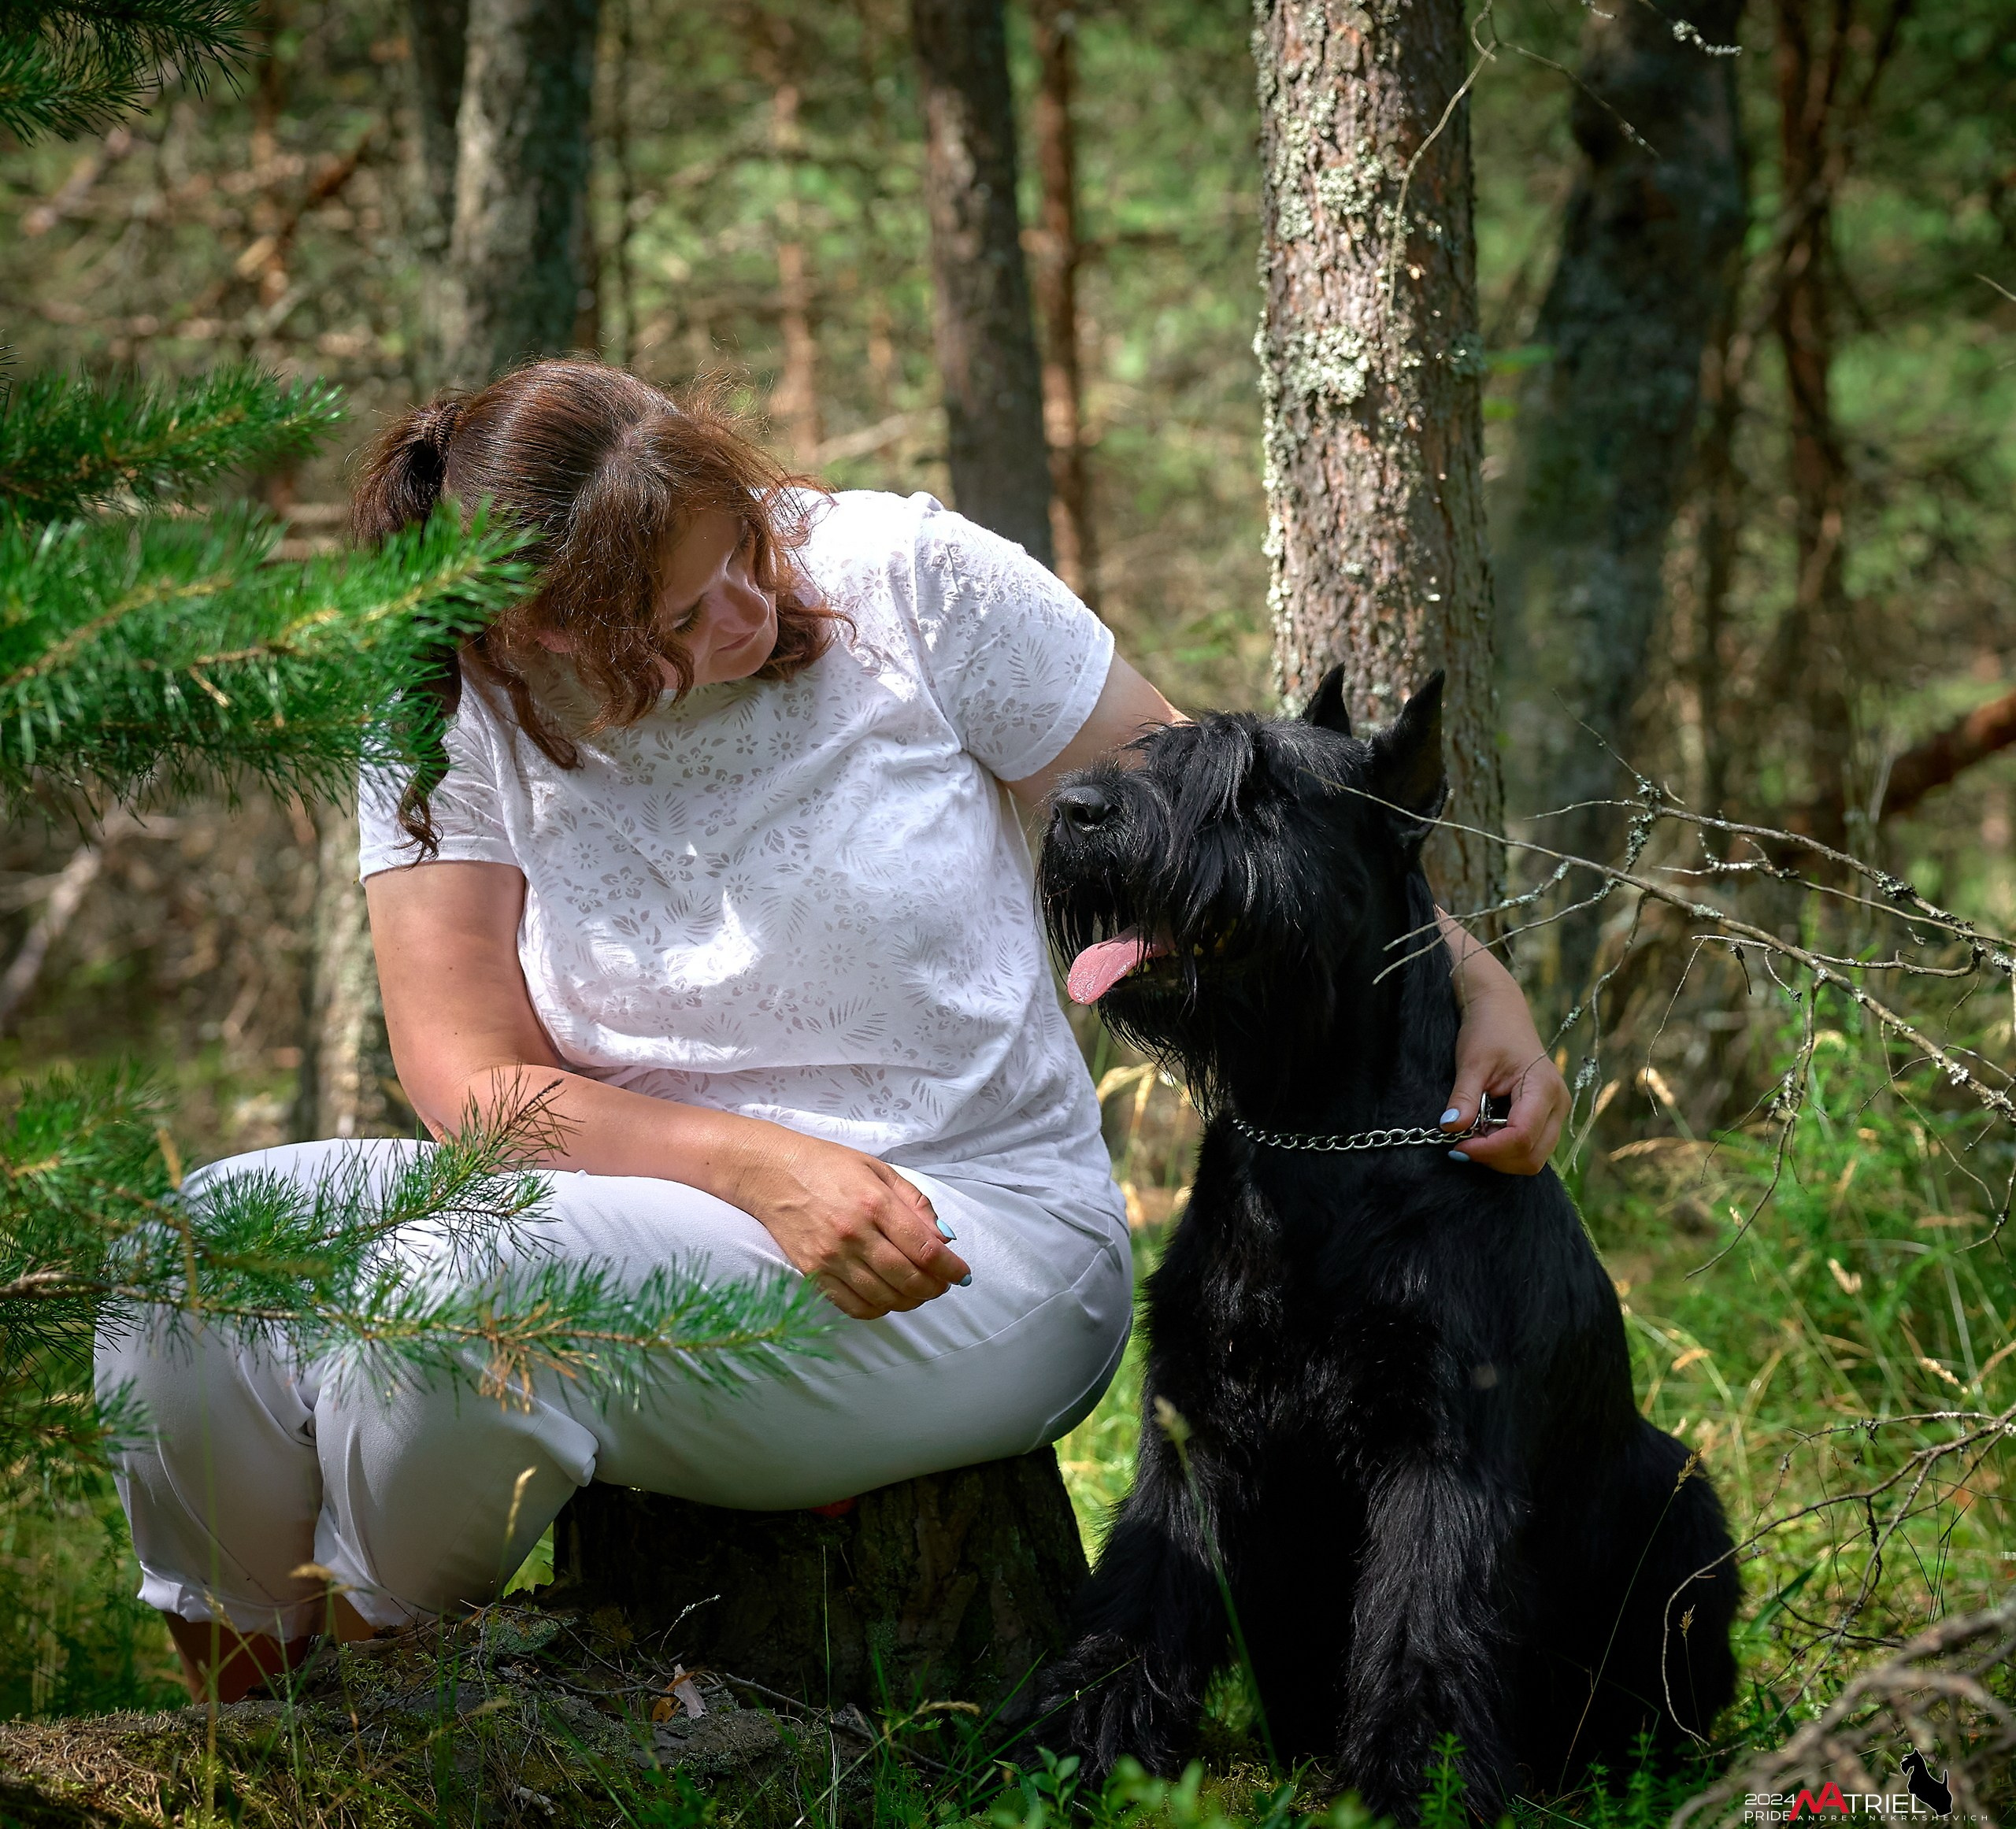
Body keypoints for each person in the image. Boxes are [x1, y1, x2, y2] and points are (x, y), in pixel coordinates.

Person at [98, 361, 1569, 1704]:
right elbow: (469, 1081)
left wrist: (1479, 981)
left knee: (450, 1301)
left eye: (740, 552)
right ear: (529, 637)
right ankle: (241, 1721)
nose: (744, 613)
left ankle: (357, 1723)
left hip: (971, 1242)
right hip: (632, 1202)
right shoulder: (440, 703)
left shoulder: (915, 578)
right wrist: (754, 1169)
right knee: (190, 1254)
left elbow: (1251, 849)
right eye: (676, 622)